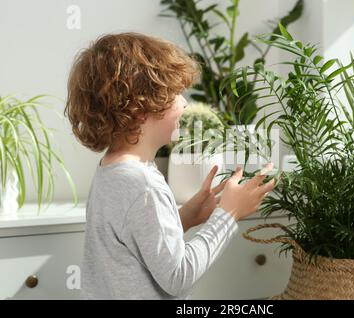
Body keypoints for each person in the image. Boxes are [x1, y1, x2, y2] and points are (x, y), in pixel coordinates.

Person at [65, 32, 276, 299]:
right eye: (175, 94)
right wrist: (229, 214)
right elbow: (178, 276)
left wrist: (185, 217)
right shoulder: (142, 184)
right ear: (141, 108)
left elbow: (137, 242)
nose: (185, 102)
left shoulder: (113, 169)